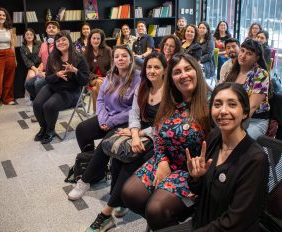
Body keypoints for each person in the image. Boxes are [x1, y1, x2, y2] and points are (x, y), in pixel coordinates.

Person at [121, 53, 210, 231]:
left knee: (156, 209)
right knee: (129, 194)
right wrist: (161, 160)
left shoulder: (210, 103)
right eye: (177, 72)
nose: (183, 75)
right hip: (164, 160)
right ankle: (165, 226)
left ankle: (163, 222)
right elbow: (158, 134)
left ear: (197, 71)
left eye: (187, 69)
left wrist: (198, 178)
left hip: (191, 171)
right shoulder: (170, 100)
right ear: (171, 78)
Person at [84, 52, 167, 232]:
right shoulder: (143, 87)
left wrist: (139, 134)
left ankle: (106, 213)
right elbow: (134, 114)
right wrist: (134, 134)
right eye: (149, 67)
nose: (152, 71)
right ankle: (119, 200)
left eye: (157, 67)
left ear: (164, 71)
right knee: (118, 157)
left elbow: (165, 125)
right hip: (139, 131)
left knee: (132, 160)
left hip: (160, 138)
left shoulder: (169, 92)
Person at [187, 82, 268, 231]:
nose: (223, 111)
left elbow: (236, 222)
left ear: (244, 112)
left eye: (232, 104)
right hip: (201, 222)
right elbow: (199, 191)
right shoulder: (214, 137)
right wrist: (196, 177)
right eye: (217, 104)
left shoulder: (256, 159)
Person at [67, 45, 141, 202]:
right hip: (106, 118)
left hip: (125, 122)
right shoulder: (110, 75)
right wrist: (102, 119)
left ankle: (84, 181)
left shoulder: (138, 79)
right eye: (117, 56)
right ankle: (97, 170)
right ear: (113, 59)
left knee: (105, 144)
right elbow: (100, 99)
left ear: (131, 58)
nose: (120, 59)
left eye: (124, 56)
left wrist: (112, 121)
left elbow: (134, 110)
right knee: (82, 129)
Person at [33, 31, 89, 144]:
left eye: (63, 39)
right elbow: (48, 78)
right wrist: (56, 75)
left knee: (49, 106)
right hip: (53, 86)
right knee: (37, 104)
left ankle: (50, 131)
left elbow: (85, 81)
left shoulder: (79, 57)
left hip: (70, 91)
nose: (61, 42)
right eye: (58, 41)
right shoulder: (53, 57)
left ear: (69, 40)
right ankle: (43, 128)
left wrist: (75, 70)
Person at [225, 39, 270, 140]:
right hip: (232, 116)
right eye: (242, 50)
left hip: (254, 120)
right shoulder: (231, 72)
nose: (243, 55)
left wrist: (234, 126)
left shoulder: (261, 74)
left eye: (249, 53)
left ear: (256, 58)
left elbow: (252, 106)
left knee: (237, 140)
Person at [24, 21, 60, 102]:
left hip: (55, 73)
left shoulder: (60, 44)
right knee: (28, 84)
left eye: (54, 27)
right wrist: (39, 70)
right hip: (44, 71)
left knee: (38, 83)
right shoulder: (43, 45)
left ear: (58, 30)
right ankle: (39, 100)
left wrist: (47, 73)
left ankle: (41, 102)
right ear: (46, 30)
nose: (51, 29)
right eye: (49, 27)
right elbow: (42, 61)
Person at [83, 28, 112, 112]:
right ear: (90, 39)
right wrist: (97, 77)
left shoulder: (108, 50)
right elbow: (86, 71)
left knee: (95, 89)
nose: (96, 41)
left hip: (107, 79)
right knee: (99, 82)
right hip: (92, 79)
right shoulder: (85, 52)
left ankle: (98, 114)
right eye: (94, 38)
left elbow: (112, 67)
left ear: (101, 39)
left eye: (98, 38)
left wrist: (107, 77)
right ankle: (107, 110)